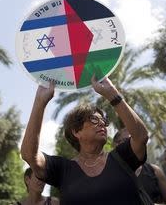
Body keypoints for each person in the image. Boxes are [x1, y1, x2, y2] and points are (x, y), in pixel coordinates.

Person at [21, 76, 149, 205]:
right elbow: (29, 155)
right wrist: (40, 102)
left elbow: (141, 136)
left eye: (103, 121)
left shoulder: (122, 157)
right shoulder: (62, 170)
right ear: (76, 132)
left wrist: (112, 93)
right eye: (94, 119)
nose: (102, 124)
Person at [114, 128, 166, 205]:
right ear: (117, 145)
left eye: (134, 139)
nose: (134, 143)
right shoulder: (112, 177)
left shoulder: (155, 171)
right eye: (127, 140)